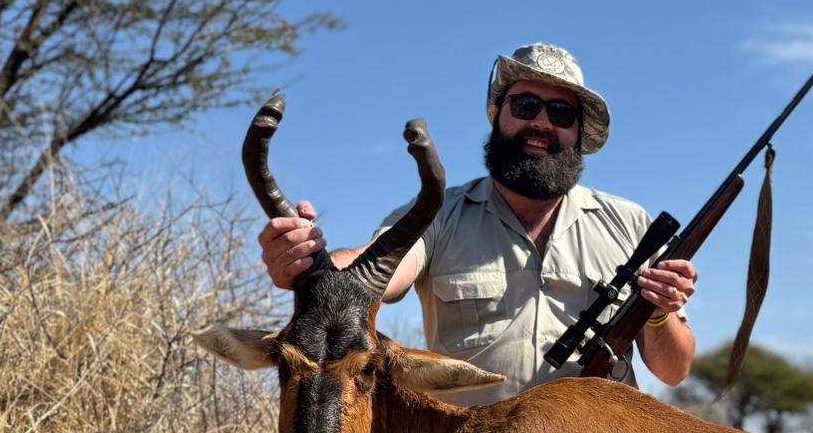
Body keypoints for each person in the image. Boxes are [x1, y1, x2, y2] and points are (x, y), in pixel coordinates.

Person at [258, 44, 698, 406]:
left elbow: (673, 371)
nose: (541, 122)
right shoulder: (437, 214)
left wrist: (659, 316)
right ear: (498, 114)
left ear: (577, 133)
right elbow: (373, 270)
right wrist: (312, 260)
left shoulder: (631, 226)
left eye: (561, 113)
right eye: (526, 105)